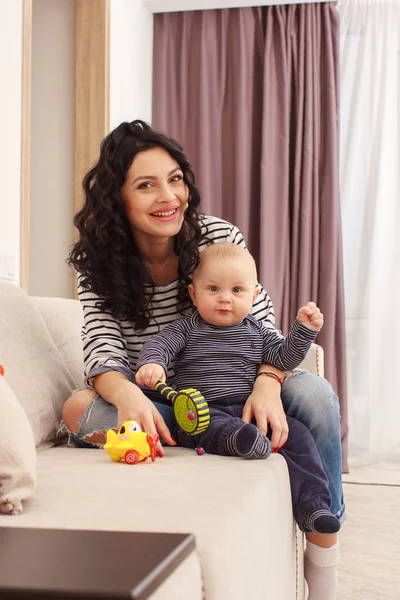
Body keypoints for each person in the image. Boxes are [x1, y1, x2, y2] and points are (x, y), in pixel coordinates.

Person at [62, 120, 344, 600]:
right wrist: (129, 393)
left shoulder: (216, 235)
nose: (167, 195)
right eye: (146, 185)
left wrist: (269, 382)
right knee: (78, 408)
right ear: (118, 199)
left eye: (175, 179)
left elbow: (260, 322)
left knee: (314, 395)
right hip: (166, 395)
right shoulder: (99, 265)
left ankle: (325, 547)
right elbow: (103, 349)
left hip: (245, 380)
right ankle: (220, 434)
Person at [136, 242, 341, 537]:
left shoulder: (258, 331)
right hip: (200, 411)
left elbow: (284, 358)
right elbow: (160, 345)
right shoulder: (186, 328)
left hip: (247, 411)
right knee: (208, 425)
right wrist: (153, 363)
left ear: (254, 295)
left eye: (237, 291)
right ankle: (238, 441)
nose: (224, 299)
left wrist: (303, 331)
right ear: (193, 294)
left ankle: (313, 506)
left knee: (299, 436)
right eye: (213, 289)